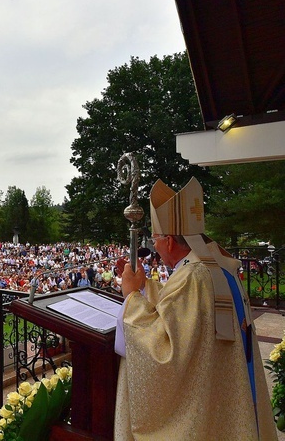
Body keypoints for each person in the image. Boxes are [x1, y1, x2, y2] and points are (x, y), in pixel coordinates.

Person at [114, 177, 276, 440]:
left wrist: (132, 296)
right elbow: (182, 313)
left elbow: (165, 350)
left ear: (168, 241)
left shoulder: (193, 276)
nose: (153, 246)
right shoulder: (215, 263)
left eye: (155, 239)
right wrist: (146, 286)